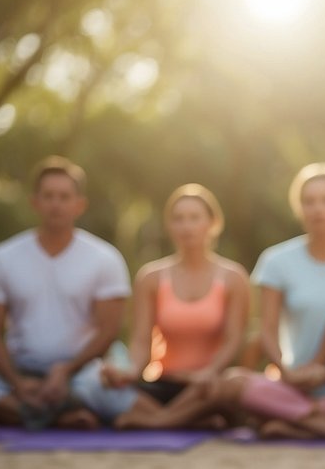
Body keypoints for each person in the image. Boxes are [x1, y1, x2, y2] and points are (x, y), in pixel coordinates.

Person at [229, 163, 325, 439]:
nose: (318, 209)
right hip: (296, 384)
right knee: (233, 383)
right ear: (298, 208)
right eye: (309, 201)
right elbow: (267, 330)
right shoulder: (276, 261)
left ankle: (302, 419)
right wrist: (287, 373)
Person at [0, 156, 132, 429]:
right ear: (34, 202)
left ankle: (36, 412)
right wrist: (18, 384)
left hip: (81, 373)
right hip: (19, 372)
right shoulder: (2, 258)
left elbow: (109, 330)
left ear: (79, 204)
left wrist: (65, 371)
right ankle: (63, 415)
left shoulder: (105, 258)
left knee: (106, 392)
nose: (56, 204)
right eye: (48, 196)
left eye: (64, 197)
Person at [91, 184, 250, 429]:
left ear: (213, 223)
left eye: (194, 218)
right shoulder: (151, 277)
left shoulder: (233, 277)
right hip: (163, 382)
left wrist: (209, 372)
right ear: (169, 226)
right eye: (178, 219)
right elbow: (142, 341)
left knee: (231, 385)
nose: (186, 226)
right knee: (99, 387)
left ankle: (160, 421)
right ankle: (188, 420)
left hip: (208, 385)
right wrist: (130, 372)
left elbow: (233, 340)